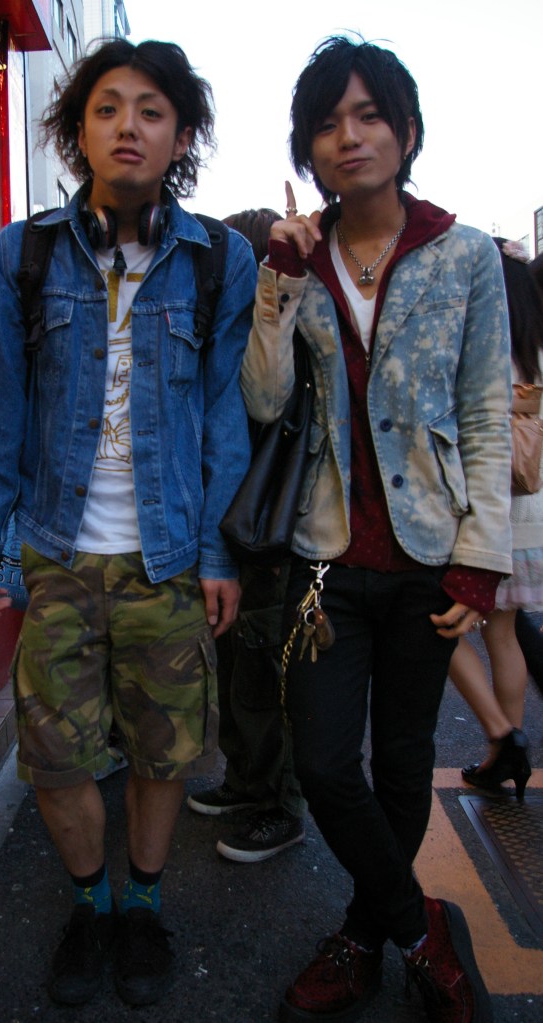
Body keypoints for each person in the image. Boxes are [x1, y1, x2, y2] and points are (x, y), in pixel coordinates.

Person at [0, 38, 257, 1009]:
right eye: (108, 107)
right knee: (54, 754)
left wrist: (217, 550)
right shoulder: (25, 251)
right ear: (77, 129)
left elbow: (222, 418)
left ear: (181, 136)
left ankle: (144, 909)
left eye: (152, 110)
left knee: (166, 748)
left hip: (169, 556)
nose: (129, 125)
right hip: (52, 552)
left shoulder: (220, 261)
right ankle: (89, 909)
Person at [240, 34, 512, 1023]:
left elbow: (484, 411)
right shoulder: (296, 259)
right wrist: (278, 284)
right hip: (325, 562)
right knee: (320, 764)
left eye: (366, 116)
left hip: (427, 561)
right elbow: (264, 403)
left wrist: (476, 575)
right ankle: (416, 926)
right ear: (308, 147)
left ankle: (360, 936)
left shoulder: (461, 253)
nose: (346, 137)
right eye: (325, 122)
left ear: (403, 130)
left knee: (401, 766)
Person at [187, 208, 307, 863]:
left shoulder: (278, 326)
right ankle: (243, 781)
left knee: (263, 667)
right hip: (232, 522)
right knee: (233, 661)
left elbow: (266, 406)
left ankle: (277, 805)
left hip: (269, 523)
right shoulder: (234, 324)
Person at [450, 237, 543, 797]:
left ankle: (501, 735)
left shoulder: (482, 344)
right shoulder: (536, 350)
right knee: (502, 635)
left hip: (481, 516)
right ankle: (504, 749)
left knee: (436, 628)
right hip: (531, 521)